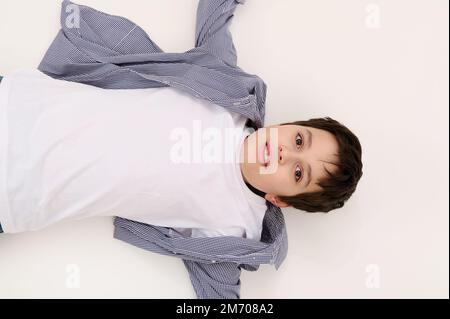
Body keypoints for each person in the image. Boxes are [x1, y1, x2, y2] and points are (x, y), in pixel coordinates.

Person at [0, 0, 363, 298]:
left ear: (281, 200)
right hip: (18, 105)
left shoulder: (234, 228)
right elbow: (214, 21)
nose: (286, 154)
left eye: (298, 173)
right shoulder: (228, 93)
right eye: (299, 140)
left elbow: (221, 297)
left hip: (15, 196)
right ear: (289, 126)